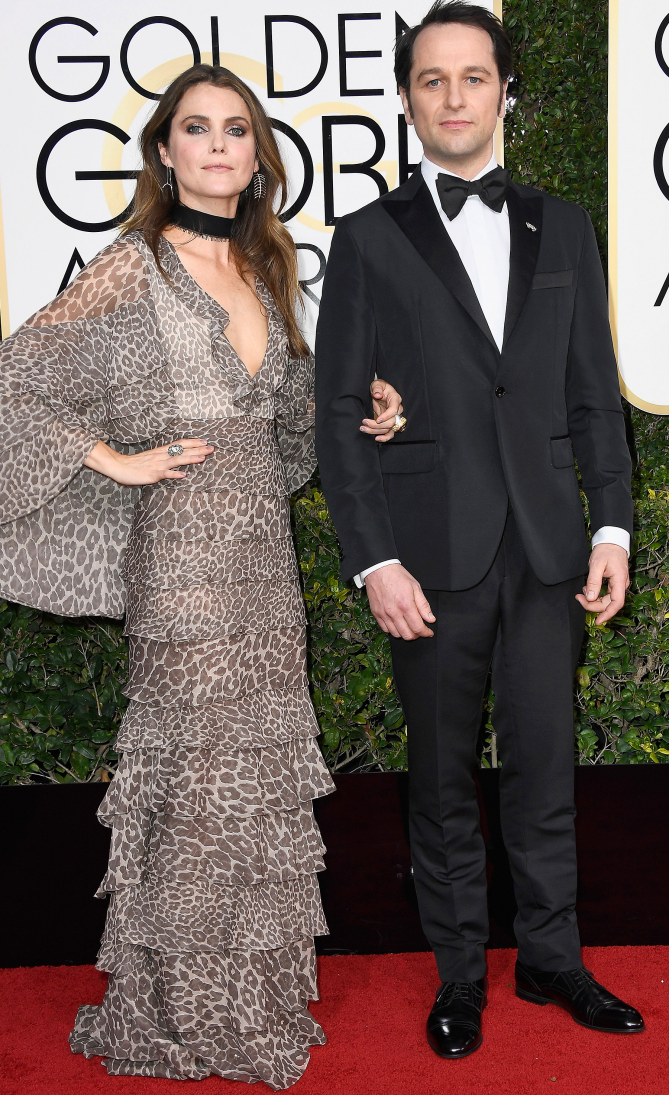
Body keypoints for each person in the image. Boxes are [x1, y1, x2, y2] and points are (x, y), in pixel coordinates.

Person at [0, 65, 403, 1088]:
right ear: (166, 151)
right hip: (179, 563)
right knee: (190, 792)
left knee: (254, 791)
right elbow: (19, 380)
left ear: (257, 154)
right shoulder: (134, 264)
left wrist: (367, 402)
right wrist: (117, 458)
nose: (219, 146)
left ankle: (248, 1002)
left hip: (262, 563)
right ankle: (178, 1012)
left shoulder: (269, 267)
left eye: (236, 130)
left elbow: (289, 414)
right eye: (197, 128)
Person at [315, 0, 645, 1061]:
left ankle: (552, 956)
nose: (453, 95)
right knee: (443, 775)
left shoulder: (569, 224)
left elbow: (593, 395)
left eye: (472, 75)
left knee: (546, 767)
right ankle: (461, 975)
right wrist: (373, 558)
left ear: (506, 89)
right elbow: (337, 419)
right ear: (407, 100)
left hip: (552, 548)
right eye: (430, 78)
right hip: (430, 557)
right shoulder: (365, 239)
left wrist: (613, 530)